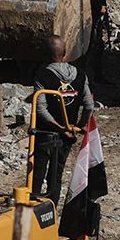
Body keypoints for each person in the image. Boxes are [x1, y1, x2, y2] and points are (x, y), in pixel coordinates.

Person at [30, 36, 84, 204]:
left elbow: (40, 108)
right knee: (57, 171)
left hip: (46, 131)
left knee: (38, 169)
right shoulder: (80, 75)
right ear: (65, 52)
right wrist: (77, 126)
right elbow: (89, 105)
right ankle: (52, 206)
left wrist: (59, 127)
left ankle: (32, 204)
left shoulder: (42, 75)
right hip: (68, 133)